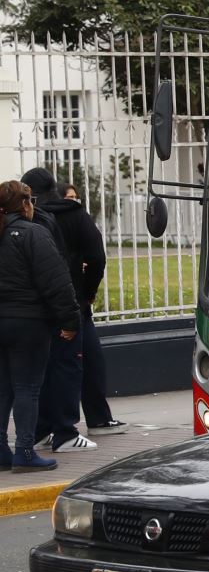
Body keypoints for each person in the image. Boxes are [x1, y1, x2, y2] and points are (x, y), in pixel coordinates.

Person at [23, 169, 123, 442]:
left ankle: (43, 429)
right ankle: (67, 431)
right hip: (72, 301)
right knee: (71, 364)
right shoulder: (73, 215)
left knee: (46, 367)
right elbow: (96, 256)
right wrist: (88, 292)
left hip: (40, 305)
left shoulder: (27, 220)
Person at [0, 181, 80, 471]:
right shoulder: (34, 234)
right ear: (25, 205)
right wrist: (70, 321)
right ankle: (24, 451)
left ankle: (1, 450)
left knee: (3, 389)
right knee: (27, 388)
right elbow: (56, 283)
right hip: (28, 323)